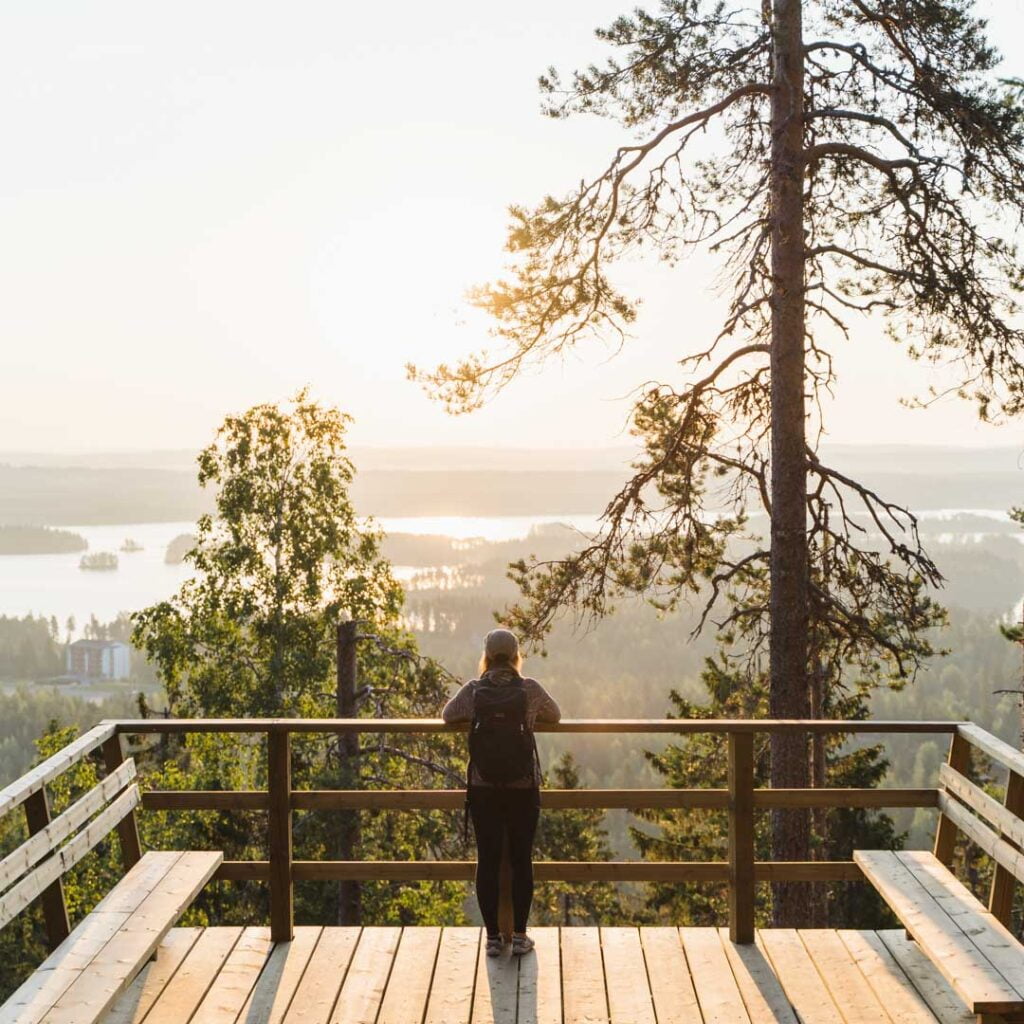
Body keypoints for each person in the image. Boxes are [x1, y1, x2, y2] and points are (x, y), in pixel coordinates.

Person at [442, 628, 560, 957]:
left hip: (484, 786)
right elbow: (556, 715)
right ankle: (520, 936)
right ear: (516, 655)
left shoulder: (474, 690)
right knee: (522, 859)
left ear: (487, 656)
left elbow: (448, 715)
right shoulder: (530, 689)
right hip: (523, 787)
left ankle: (493, 938)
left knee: (489, 859)